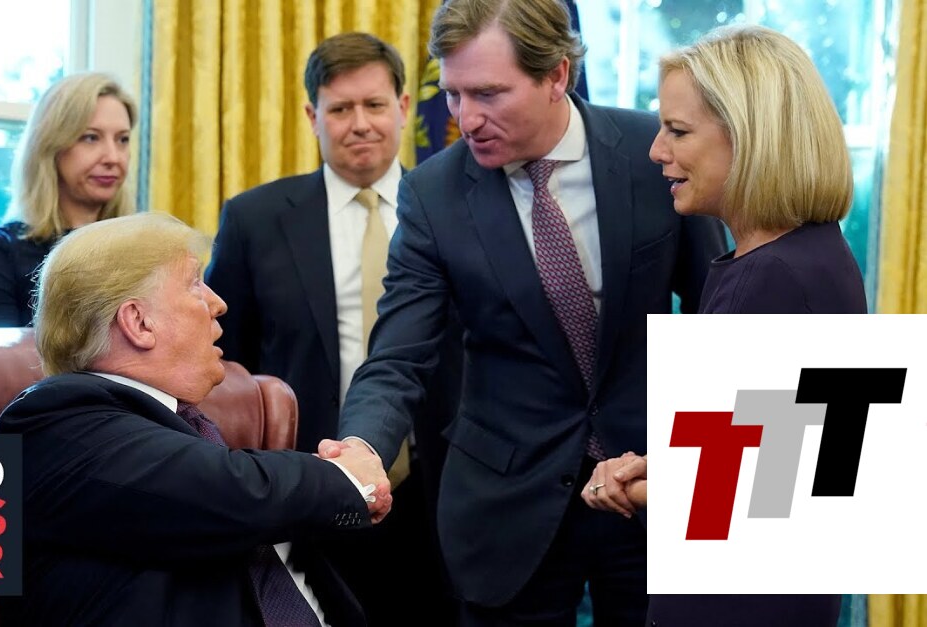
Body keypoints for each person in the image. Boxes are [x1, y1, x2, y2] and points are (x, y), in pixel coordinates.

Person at [319, 1, 727, 625]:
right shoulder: (433, 194)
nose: (466, 119)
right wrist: (361, 444)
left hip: (648, 487)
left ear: (556, 74)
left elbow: (713, 316)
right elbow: (398, 354)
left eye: (488, 93)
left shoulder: (654, 153)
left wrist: (705, 461)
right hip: (507, 508)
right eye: (453, 94)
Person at [584, 23, 861, 626]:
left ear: (749, 135)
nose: (656, 151)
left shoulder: (770, 277)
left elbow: (743, 495)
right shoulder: (810, 253)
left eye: (678, 131)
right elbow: (778, 457)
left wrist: (621, 486)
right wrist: (664, 467)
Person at [0, 212, 392, 626]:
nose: (219, 304)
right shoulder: (51, 423)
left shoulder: (181, 427)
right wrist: (348, 478)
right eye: (195, 283)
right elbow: (233, 492)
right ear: (138, 322)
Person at [205, 31, 460, 623]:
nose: (360, 124)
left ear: (403, 107)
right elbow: (224, 363)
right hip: (309, 486)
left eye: (374, 105)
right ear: (312, 116)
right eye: (341, 109)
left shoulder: (455, 211)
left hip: (441, 486)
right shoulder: (255, 220)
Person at [0, 72, 136, 328]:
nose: (113, 157)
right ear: (50, 146)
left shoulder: (144, 251)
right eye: (91, 137)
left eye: (122, 139)